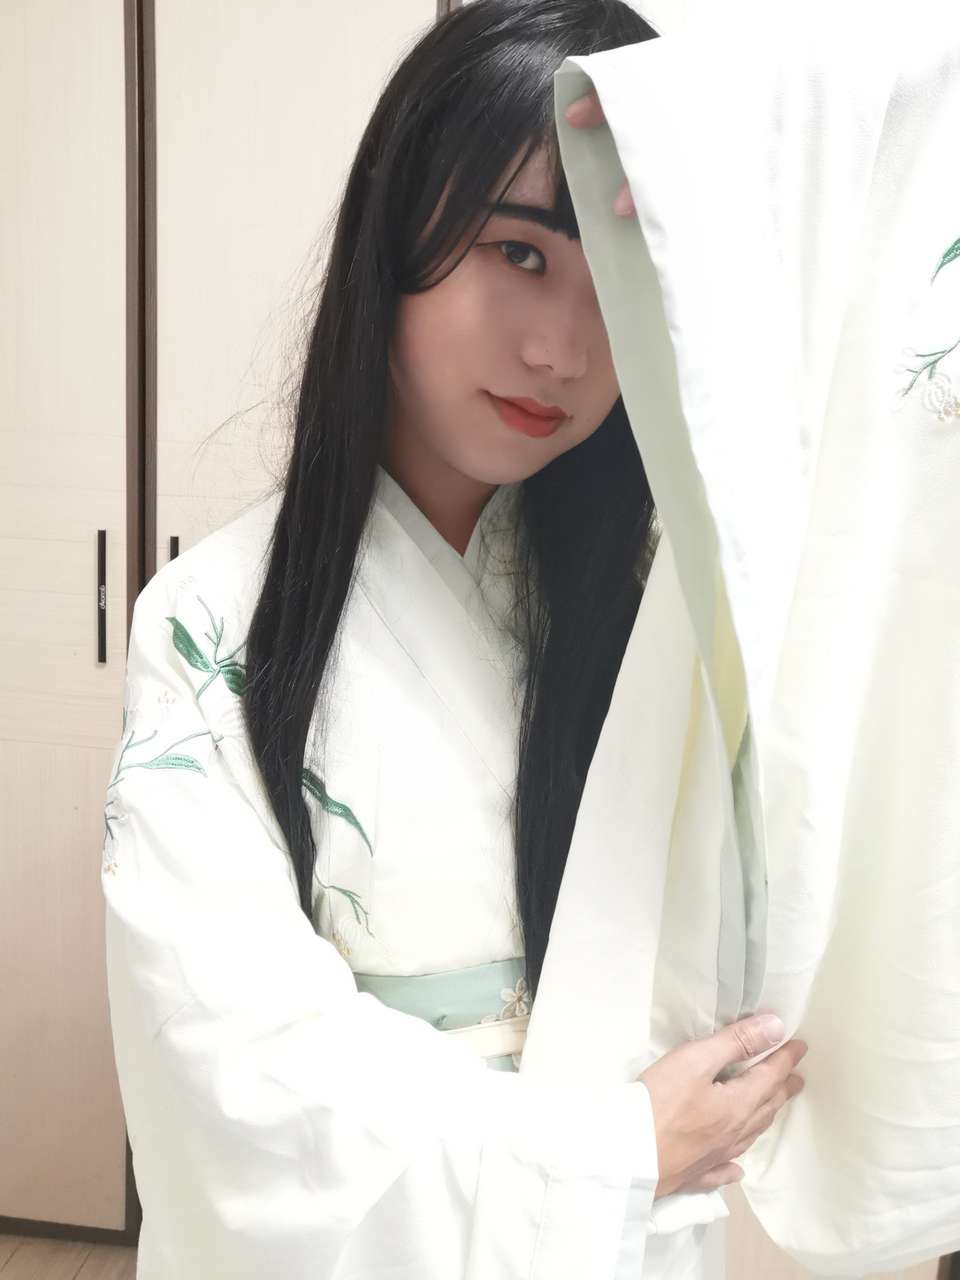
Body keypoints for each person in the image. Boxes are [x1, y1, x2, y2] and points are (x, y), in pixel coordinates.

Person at [101, 2, 806, 1276]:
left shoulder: (663, 627)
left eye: (623, 276)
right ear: (398, 231)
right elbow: (237, 1069)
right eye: (519, 252)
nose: (562, 348)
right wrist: (612, 1153)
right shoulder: (210, 626)